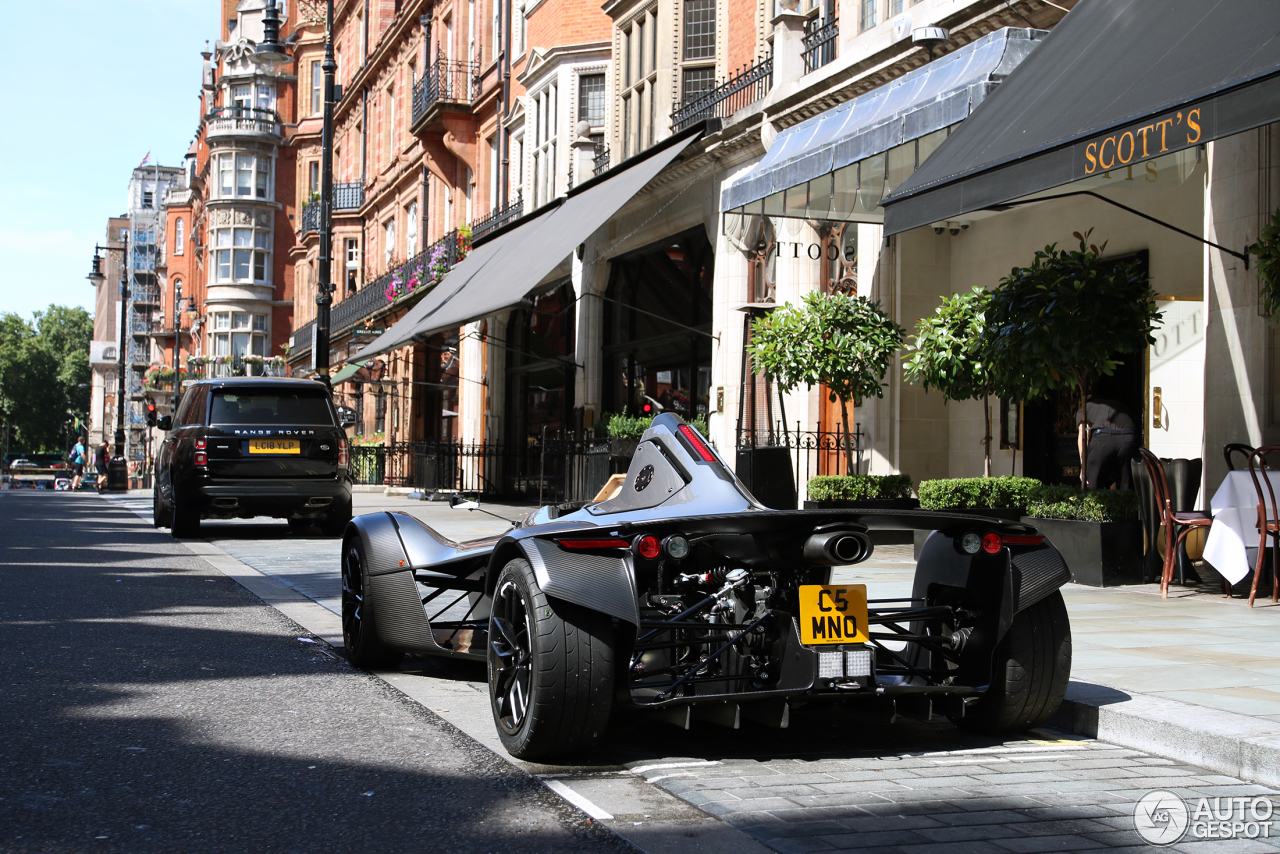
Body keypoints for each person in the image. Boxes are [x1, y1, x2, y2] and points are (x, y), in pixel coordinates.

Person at [1076, 396, 1138, 490]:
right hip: (1127, 437)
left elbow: (1084, 434)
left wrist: (1084, 466)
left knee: (1093, 487)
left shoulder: (1084, 408)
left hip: (1102, 438)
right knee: (1125, 485)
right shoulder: (1119, 404)